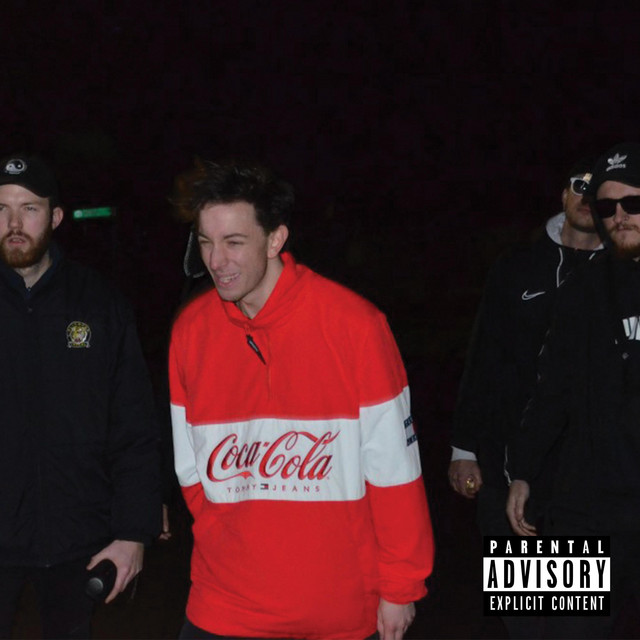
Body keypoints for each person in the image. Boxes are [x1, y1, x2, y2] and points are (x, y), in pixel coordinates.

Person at [168, 159, 434, 640]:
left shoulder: (356, 326)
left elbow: (395, 472)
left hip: (334, 611)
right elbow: (191, 470)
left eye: (233, 242)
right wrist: (231, 541)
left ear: (275, 240)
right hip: (224, 603)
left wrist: (401, 586)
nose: (216, 261)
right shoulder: (191, 331)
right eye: (205, 242)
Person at [0, 154, 161, 638]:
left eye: (29, 208)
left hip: (79, 539)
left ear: (55, 217)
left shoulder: (99, 303)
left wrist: (134, 530)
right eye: (2, 209)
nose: (13, 223)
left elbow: (134, 424)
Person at [506, 142, 640, 638]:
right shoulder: (580, 286)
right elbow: (551, 388)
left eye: (633, 203)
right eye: (607, 207)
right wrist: (522, 471)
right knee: (543, 626)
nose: (619, 216)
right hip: (580, 506)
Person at [449, 157, 601, 534]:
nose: (587, 197)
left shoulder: (622, 273)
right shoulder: (517, 264)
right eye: (580, 185)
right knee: (514, 573)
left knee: (577, 575)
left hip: (588, 477)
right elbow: (484, 353)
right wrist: (464, 448)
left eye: (599, 189)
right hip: (503, 460)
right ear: (564, 194)